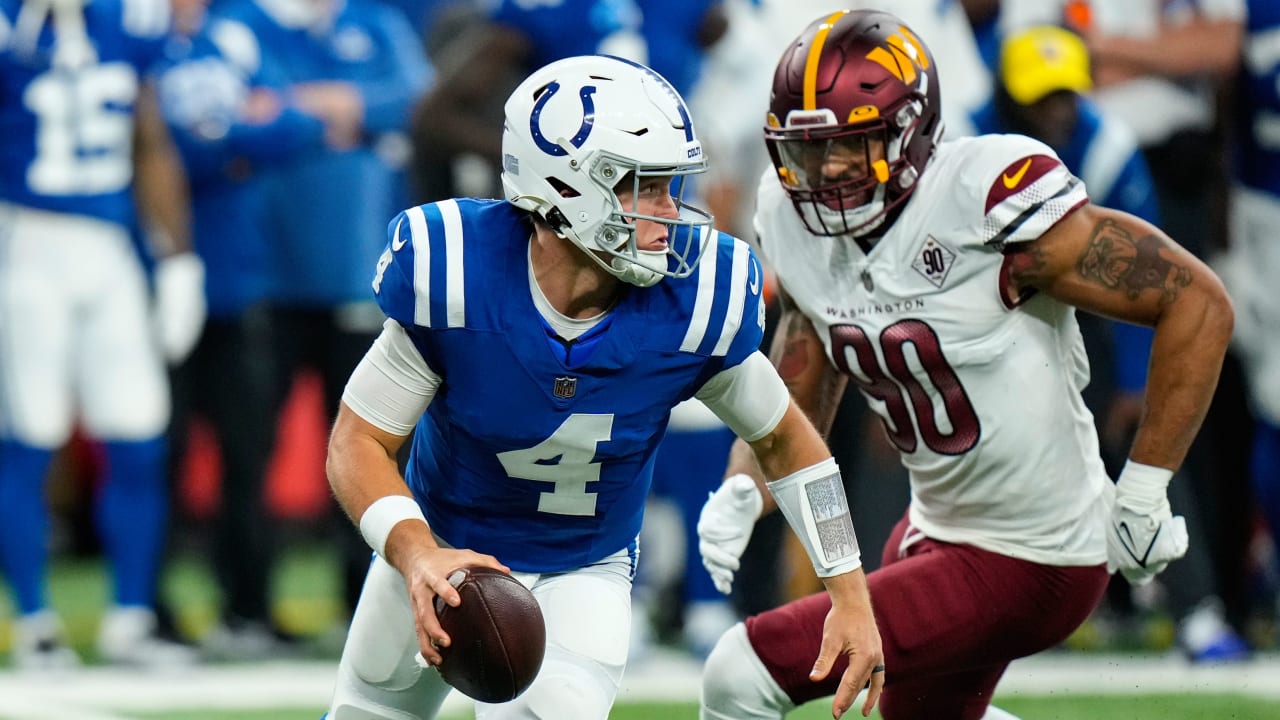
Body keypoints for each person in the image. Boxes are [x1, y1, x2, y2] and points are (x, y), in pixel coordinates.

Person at [696, 9, 1233, 720]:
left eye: (851, 146)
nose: (826, 172)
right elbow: (806, 357)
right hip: (937, 527)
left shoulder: (983, 197)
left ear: (910, 131)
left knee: (741, 672)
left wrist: (1144, 487)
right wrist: (747, 479)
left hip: (1038, 552)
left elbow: (1197, 302)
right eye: (810, 149)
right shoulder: (789, 217)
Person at [324, 54, 884, 720]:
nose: (669, 212)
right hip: (441, 547)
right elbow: (357, 441)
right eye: (642, 187)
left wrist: (850, 595)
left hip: (581, 568)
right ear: (560, 187)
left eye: (670, 186)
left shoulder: (692, 300)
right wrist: (416, 554)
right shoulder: (457, 275)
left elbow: (790, 443)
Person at [0, 0, 204, 668]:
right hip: (25, 246)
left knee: (140, 435)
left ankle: (131, 619)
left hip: (111, 252)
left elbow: (150, 141)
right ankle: (34, 621)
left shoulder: (127, 21)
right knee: (30, 440)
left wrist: (177, 260)